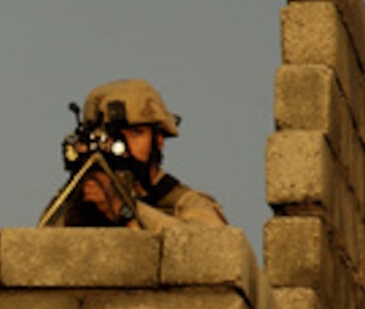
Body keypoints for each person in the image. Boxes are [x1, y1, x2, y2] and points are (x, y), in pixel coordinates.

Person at [39, 78, 227, 229]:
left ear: (158, 139)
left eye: (136, 133)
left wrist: (125, 211)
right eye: (110, 137)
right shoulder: (70, 203)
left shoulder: (185, 204)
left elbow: (216, 254)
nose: (123, 147)